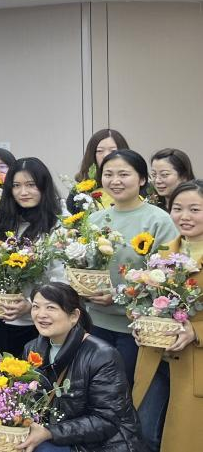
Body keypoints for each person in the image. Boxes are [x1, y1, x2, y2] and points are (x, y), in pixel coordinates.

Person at [86, 150, 177, 381]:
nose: (115, 181)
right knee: (98, 391)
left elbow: (166, 276)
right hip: (95, 323)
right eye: (108, 174)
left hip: (135, 329)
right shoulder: (95, 220)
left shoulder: (159, 220)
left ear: (142, 179)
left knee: (128, 392)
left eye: (124, 174)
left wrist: (119, 296)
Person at [21, 282, 143, 452]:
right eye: (36, 307)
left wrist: (49, 432)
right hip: (55, 434)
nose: (41, 314)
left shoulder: (102, 355)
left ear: (74, 316)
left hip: (101, 444)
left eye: (51, 308)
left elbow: (106, 420)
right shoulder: (32, 348)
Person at [132, 180, 203, 452]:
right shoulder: (163, 253)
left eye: (195, 209)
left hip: (194, 363)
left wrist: (196, 331)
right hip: (155, 356)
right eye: (177, 208)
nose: (185, 216)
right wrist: (138, 320)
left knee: (184, 439)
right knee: (144, 432)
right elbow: (144, 298)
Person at [0, 157, 66, 356]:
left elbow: (62, 279)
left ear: (43, 187)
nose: (23, 192)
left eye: (31, 185)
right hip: (1, 320)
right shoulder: (6, 223)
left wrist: (31, 306)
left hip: (38, 325)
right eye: (16, 186)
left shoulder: (57, 226)